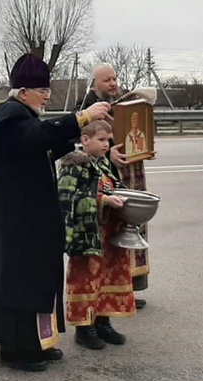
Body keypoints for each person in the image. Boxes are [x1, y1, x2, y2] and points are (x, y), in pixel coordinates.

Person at [0, 53, 112, 372]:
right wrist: (81, 118)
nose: (47, 95)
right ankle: (19, 351)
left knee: (32, 281)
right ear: (22, 92)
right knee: (20, 282)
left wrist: (74, 139)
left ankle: (36, 343)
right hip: (16, 218)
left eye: (47, 89)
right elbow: (36, 138)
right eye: (41, 90)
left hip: (27, 215)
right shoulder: (10, 116)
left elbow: (41, 148)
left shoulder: (22, 114)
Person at [77, 63, 152, 310]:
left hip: (131, 174)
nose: (113, 83)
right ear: (94, 84)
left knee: (131, 228)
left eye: (114, 78)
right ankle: (105, 294)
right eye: (106, 80)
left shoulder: (123, 103)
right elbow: (79, 146)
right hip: (103, 182)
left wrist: (145, 148)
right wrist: (109, 157)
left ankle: (127, 288)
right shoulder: (86, 108)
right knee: (112, 235)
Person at [58, 120, 136, 349]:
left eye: (107, 140)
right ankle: (84, 327)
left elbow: (110, 186)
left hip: (108, 233)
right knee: (86, 278)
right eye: (101, 140)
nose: (106, 145)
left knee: (108, 276)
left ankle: (103, 322)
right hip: (87, 234)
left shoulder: (102, 163)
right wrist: (102, 200)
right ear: (85, 140)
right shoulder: (73, 165)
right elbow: (68, 199)